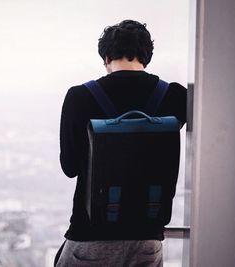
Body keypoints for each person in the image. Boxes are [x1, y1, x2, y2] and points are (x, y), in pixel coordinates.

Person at [56, 19, 187, 266]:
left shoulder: (79, 97)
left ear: (106, 57)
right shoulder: (176, 96)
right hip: (147, 238)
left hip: (91, 236)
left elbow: (69, 167)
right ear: (146, 57)